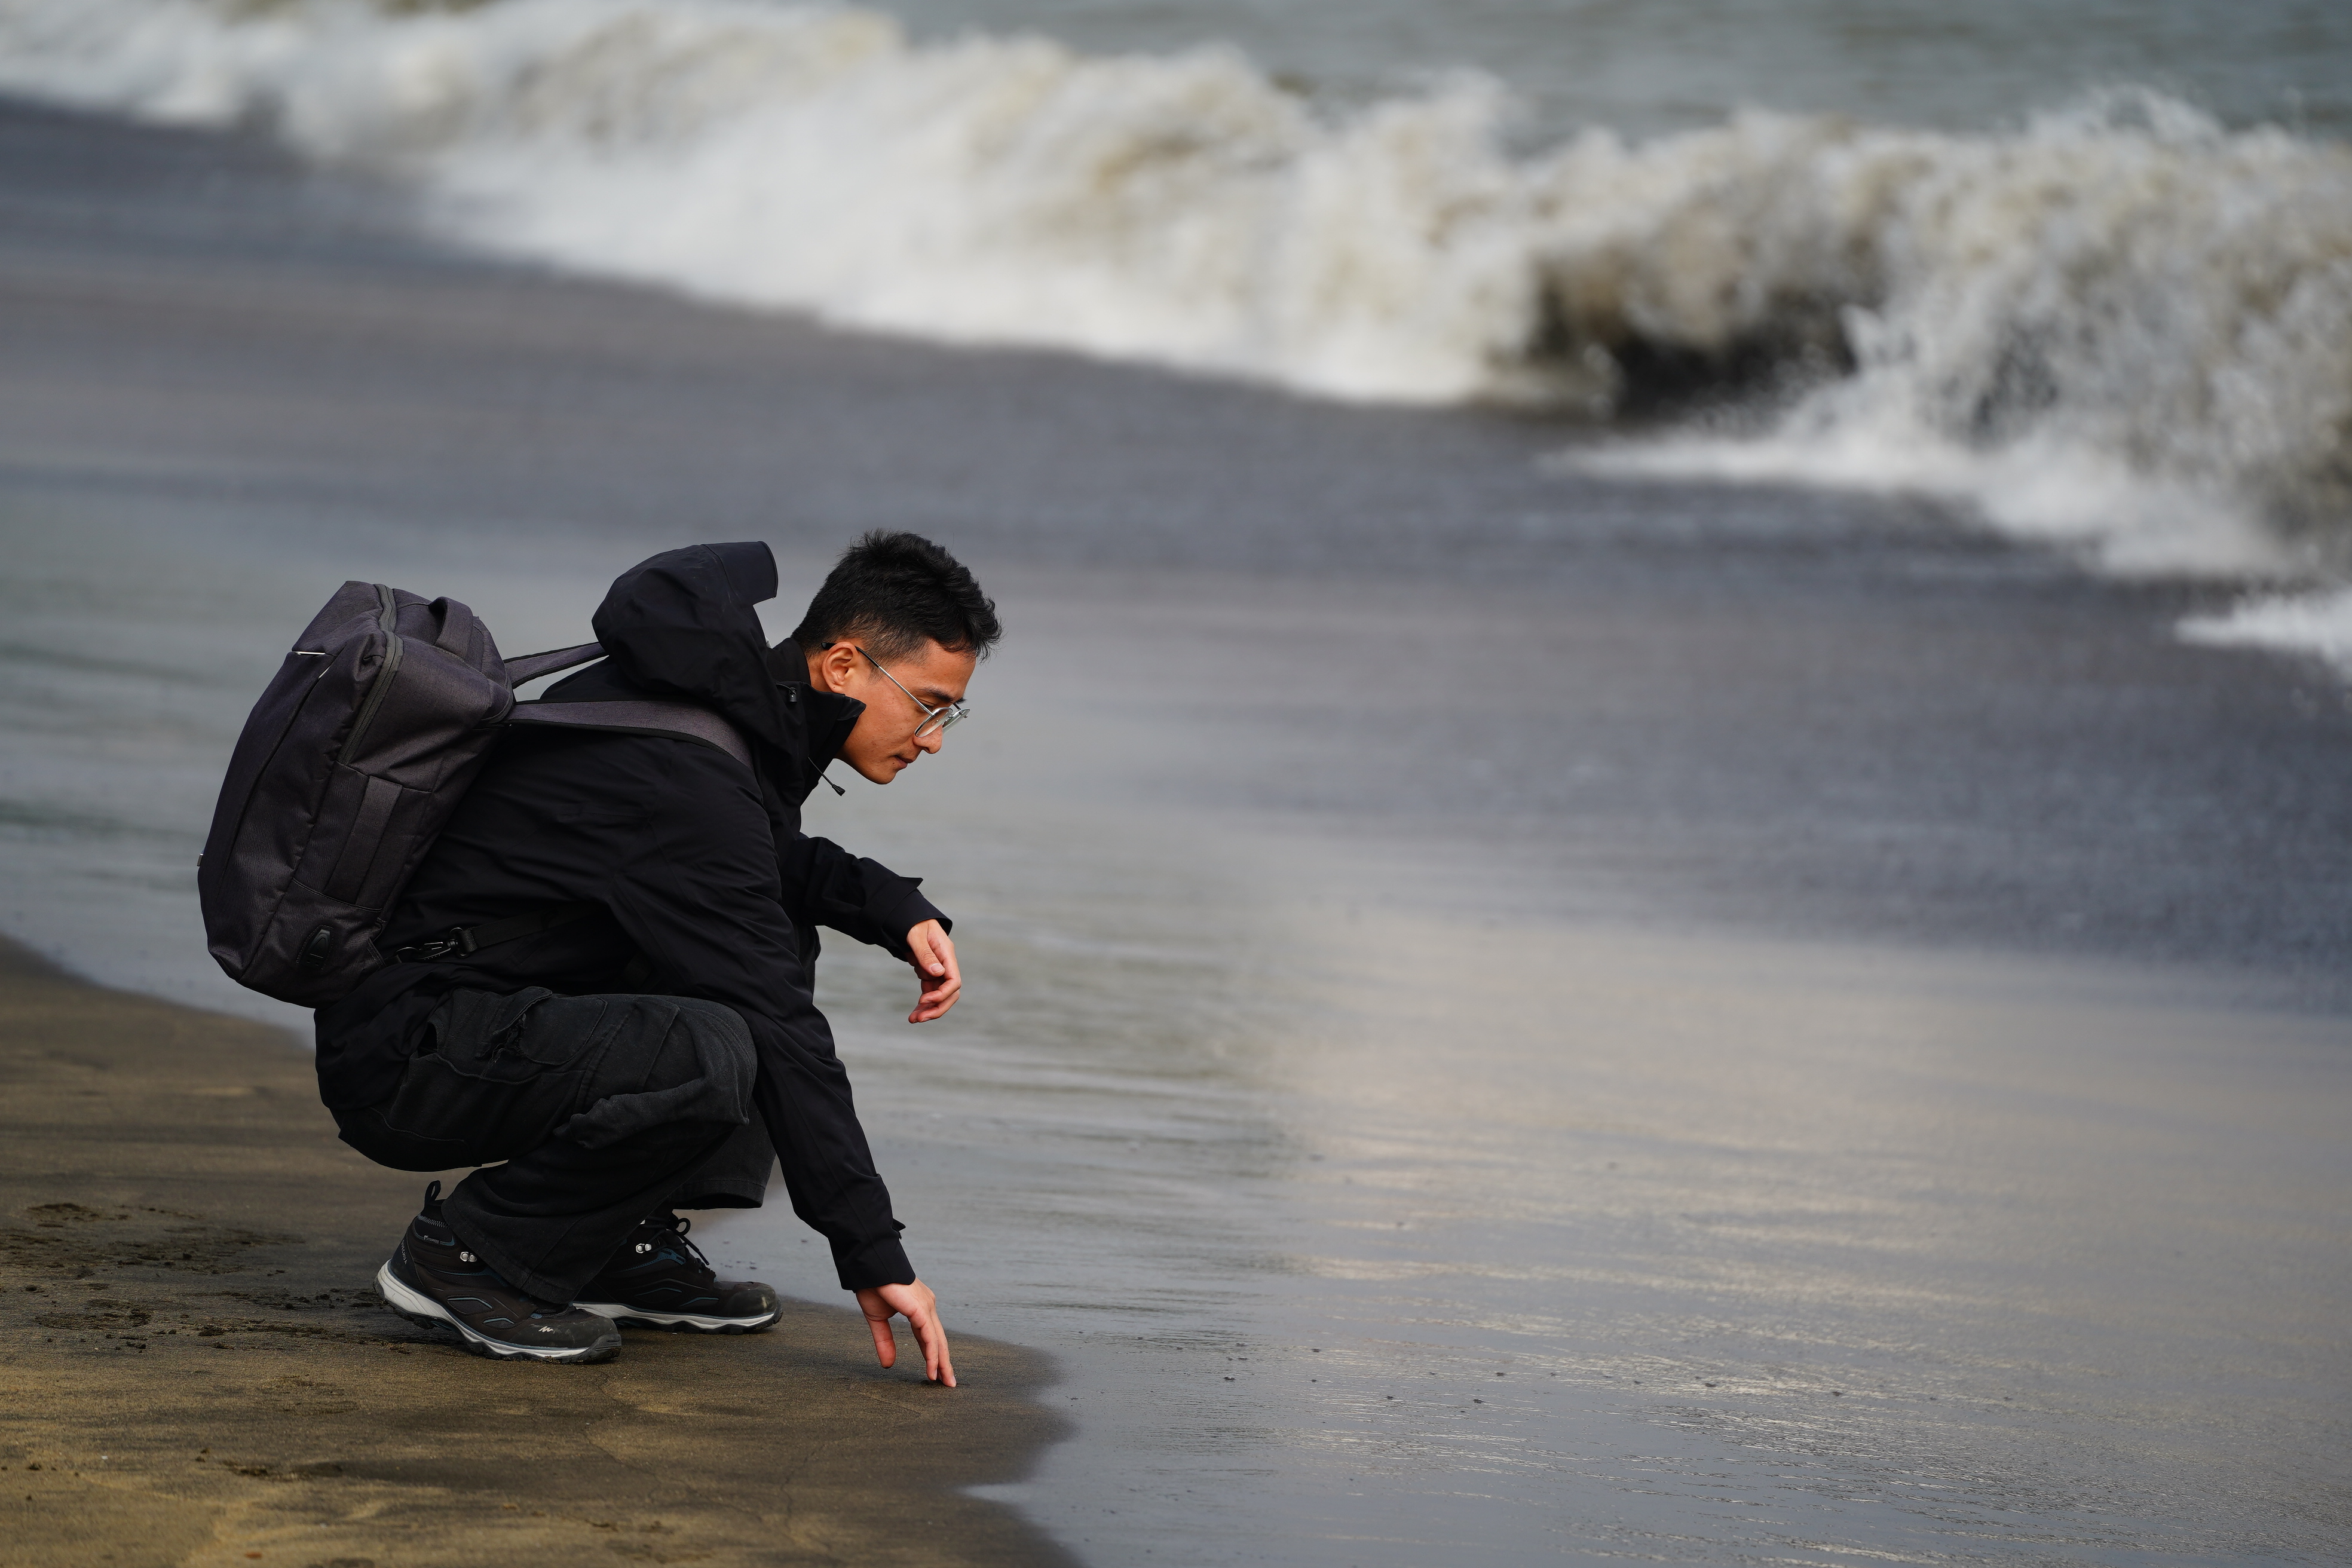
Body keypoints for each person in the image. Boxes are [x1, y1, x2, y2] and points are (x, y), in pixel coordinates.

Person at [312, 533, 999, 1377]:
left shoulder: (714, 715)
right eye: (931, 705)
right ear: (846, 666)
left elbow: (754, 861)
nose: (934, 739)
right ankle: (469, 1254)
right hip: (411, 1054)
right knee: (722, 1045)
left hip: (475, 1009)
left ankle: (606, 1244)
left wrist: (891, 906)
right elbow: (777, 1012)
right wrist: (873, 1252)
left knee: (769, 948)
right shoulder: (687, 764)